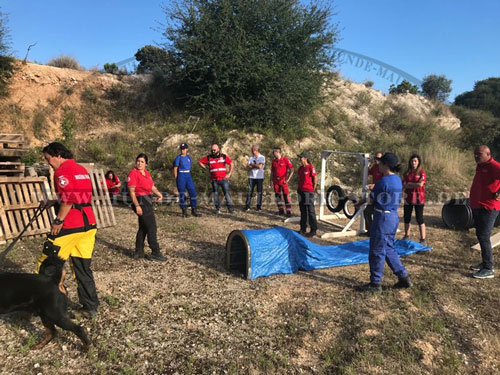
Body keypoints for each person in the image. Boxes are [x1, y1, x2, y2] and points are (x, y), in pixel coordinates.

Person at [38, 142, 99, 317]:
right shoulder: (80, 169)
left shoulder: (61, 172)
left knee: (47, 265)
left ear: (58, 155)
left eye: (48, 159)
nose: (48, 163)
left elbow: (68, 199)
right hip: (88, 225)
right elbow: (77, 195)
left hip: (70, 225)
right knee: (82, 267)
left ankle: (47, 306)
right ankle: (90, 306)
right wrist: (54, 201)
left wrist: (58, 220)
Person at [355, 152, 412, 292]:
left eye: (380, 162)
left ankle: (375, 284)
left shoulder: (383, 182)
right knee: (389, 248)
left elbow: (372, 200)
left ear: (386, 165)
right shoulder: (397, 180)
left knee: (377, 250)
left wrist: (359, 202)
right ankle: (403, 277)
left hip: (382, 218)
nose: (378, 165)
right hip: (393, 217)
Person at [127, 153, 167, 262]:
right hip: (140, 201)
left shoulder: (146, 173)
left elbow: (151, 186)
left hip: (148, 200)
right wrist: (137, 206)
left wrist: (159, 194)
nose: (139, 163)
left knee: (144, 227)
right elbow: (132, 192)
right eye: (138, 161)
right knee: (152, 227)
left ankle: (139, 251)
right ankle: (155, 252)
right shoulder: (133, 173)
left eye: (142, 162)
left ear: (146, 164)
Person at [469, 145, 500, 279]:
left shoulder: (494, 166)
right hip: (478, 206)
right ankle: (484, 262)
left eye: (479, 154)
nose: (476, 156)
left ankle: (489, 268)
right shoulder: (481, 166)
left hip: (489, 207)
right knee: (480, 234)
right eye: (475, 153)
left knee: (484, 235)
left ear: (488, 154)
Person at [199, 144, 235, 214]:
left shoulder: (223, 157)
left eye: (214, 150)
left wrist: (229, 174)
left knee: (227, 194)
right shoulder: (209, 157)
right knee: (215, 194)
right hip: (214, 180)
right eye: (212, 150)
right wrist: (205, 168)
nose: (213, 151)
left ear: (218, 149)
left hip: (223, 179)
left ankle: (231, 209)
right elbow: (200, 161)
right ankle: (217, 209)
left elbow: (231, 164)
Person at [402, 154, 427, 245]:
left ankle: (423, 239)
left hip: (419, 198)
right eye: (412, 161)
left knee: (419, 218)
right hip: (408, 198)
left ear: (418, 162)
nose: (413, 163)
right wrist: (413, 184)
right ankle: (406, 235)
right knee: (407, 217)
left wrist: (410, 184)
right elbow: (404, 184)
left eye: (415, 161)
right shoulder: (407, 173)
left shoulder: (422, 172)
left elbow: (420, 184)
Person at [173, 143, 201, 218]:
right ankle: (184, 210)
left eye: (185, 149)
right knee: (182, 193)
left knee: (192, 192)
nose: (183, 150)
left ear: (187, 149)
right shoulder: (178, 158)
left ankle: (193, 209)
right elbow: (175, 168)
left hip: (188, 175)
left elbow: (189, 165)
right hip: (181, 175)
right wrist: (176, 178)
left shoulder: (189, 157)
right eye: (182, 149)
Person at [297, 151, 318, 237]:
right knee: (303, 210)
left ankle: (313, 229)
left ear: (305, 158)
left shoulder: (310, 167)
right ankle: (303, 228)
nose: (300, 159)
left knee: (310, 210)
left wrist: (312, 189)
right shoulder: (300, 168)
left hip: (308, 191)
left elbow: (315, 179)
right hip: (301, 190)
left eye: (301, 158)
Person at [270, 147, 294, 217]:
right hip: (276, 181)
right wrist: (271, 181)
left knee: (286, 195)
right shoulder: (273, 161)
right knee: (277, 196)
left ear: (278, 152)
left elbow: (292, 170)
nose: (273, 154)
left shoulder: (285, 160)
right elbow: (272, 172)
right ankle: (281, 210)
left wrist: (288, 179)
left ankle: (288, 211)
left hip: (283, 181)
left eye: (274, 152)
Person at [363, 152, 383, 235]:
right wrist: (367, 164)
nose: (376, 160)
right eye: (376, 158)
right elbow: (367, 173)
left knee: (378, 214)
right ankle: (370, 231)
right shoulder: (374, 167)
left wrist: (375, 185)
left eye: (378, 158)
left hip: (381, 193)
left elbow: (385, 182)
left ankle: (378, 232)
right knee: (367, 211)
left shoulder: (383, 168)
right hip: (373, 193)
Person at [244, 145, 265, 211]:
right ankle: (247, 206)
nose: (252, 151)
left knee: (259, 192)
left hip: (259, 177)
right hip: (251, 176)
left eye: (252, 150)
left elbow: (259, 166)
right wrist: (254, 165)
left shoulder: (262, 157)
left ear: (256, 150)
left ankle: (259, 207)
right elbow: (248, 167)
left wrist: (252, 165)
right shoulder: (251, 158)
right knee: (249, 191)